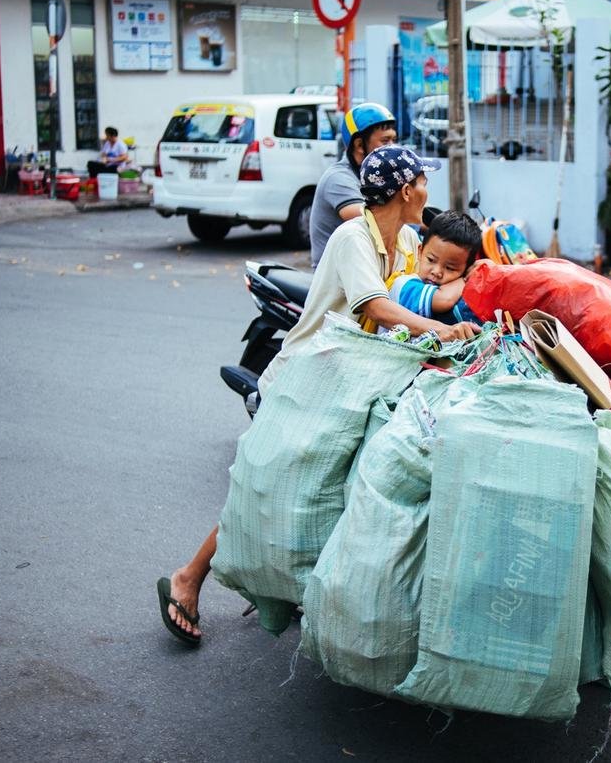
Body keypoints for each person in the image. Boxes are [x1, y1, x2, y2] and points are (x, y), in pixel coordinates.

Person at [157, 146, 479, 646]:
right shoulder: (354, 237)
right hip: (307, 381)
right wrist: (434, 332)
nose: (426, 190)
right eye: (421, 181)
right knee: (264, 494)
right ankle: (188, 577)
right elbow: (376, 304)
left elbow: (421, 289)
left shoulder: (411, 240)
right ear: (403, 190)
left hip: (354, 385)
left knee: (329, 496)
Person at [309, 102, 398, 268]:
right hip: (336, 281)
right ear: (359, 145)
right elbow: (373, 222)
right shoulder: (338, 178)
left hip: (366, 268)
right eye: (385, 141)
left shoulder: (378, 177)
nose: (393, 148)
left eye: (394, 140)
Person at [386, 210, 482, 327]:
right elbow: (444, 300)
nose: (437, 272)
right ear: (420, 251)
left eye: (450, 268)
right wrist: (467, 277)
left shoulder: (452, 290)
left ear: (465, 268)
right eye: (431, 260)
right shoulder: (403, 285)